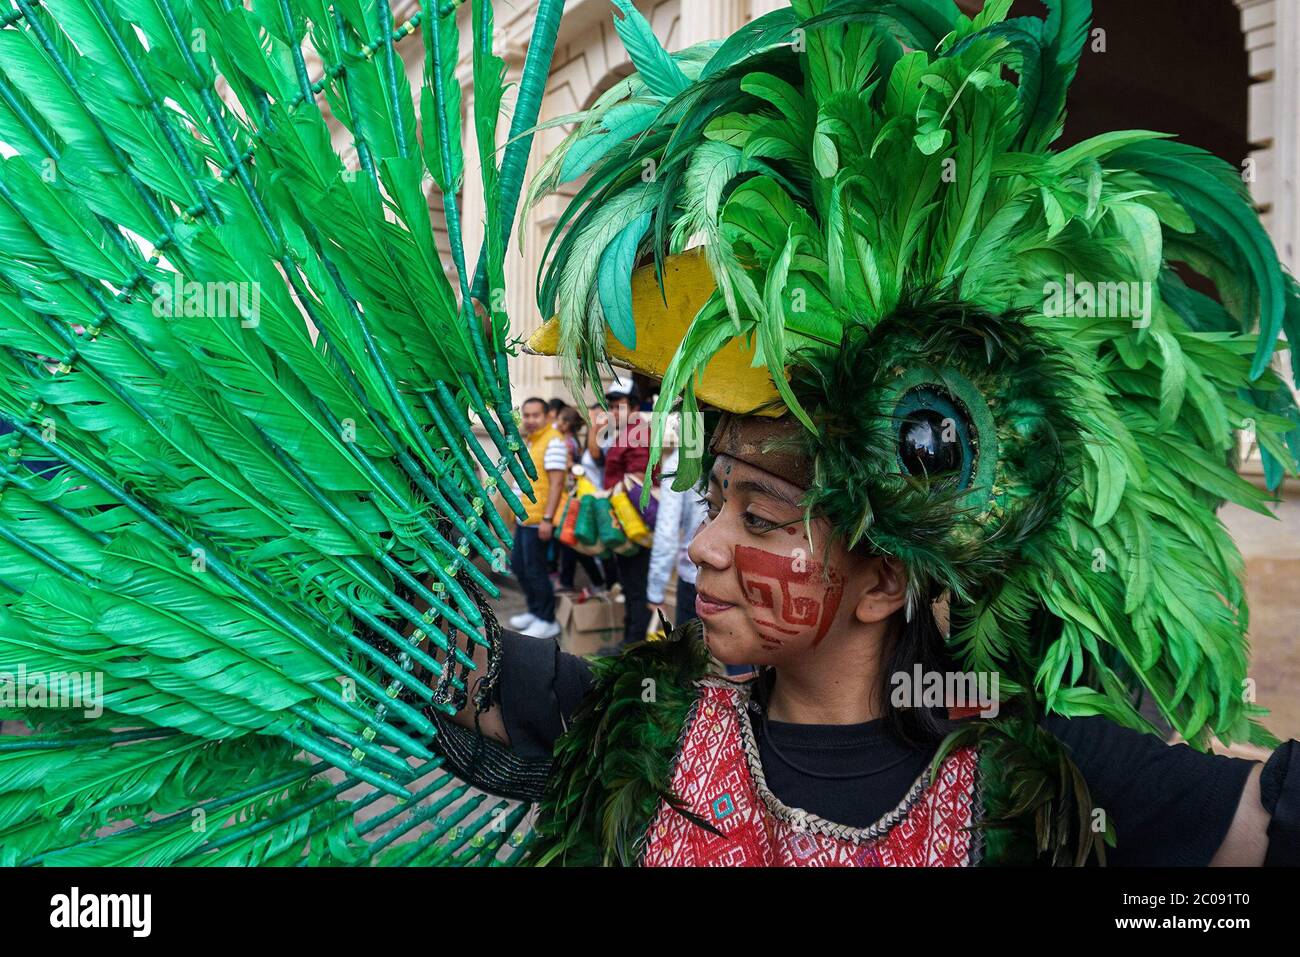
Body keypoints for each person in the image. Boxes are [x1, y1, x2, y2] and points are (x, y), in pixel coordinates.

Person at [428, 1, 1300, 867]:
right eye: (716, 500)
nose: (703, 549)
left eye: (760, 517)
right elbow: (413, 655)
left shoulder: (1035, 777)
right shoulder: (643, 724)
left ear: (884, 578)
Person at [589, 375, 655, 648]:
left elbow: (639, 479)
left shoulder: (638, 432)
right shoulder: (622, 433)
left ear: (636, 407)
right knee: (629, 582)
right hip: (624, 518)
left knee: (636, 583)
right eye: (612, 406)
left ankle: (634, 644)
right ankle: (631, 639)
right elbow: (598, 458)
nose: (615, 411)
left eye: (621, 406)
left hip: (635, 522)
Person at [507, 397, 568, 640]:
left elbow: (556, 484)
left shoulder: (553, 442)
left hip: (538, 519)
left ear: (547, 416)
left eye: (536, 415)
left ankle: (546, 619)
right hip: (526, 518)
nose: (531, 420)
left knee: (536, 570)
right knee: (521, 567)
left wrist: (547, 519)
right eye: (527, 415)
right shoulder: (534, 440)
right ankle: (534, 611)